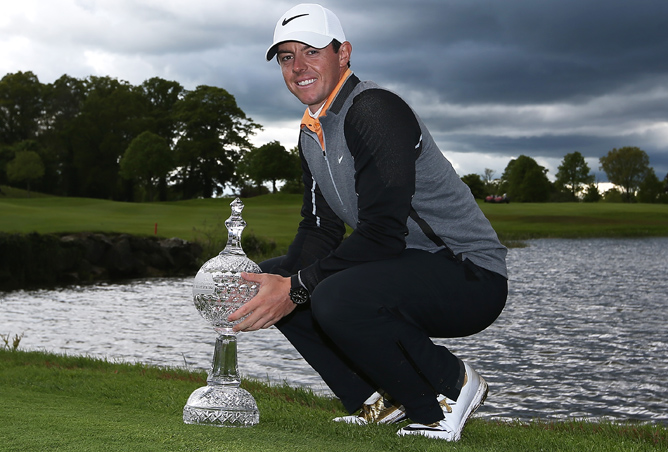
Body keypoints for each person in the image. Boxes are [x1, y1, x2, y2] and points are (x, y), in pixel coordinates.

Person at [228, 3, 508, 441]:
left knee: (331, 294)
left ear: (343, 54)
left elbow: (382, 233)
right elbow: (319, 228)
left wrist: (297, 287)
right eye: (286, 57)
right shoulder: (311, 130)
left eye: (311, 52)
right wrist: (277, 284)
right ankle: (377, 400)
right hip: (402, 266)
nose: (298, 67)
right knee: (275, 276)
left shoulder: (374, 109)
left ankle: (446, 390)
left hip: (468, 273)